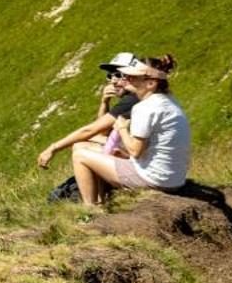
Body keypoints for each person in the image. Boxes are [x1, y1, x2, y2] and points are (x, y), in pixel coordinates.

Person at [69, 55, 189, 206]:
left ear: (151, 83)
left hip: (155, 180)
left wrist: (122, 129)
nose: (126, 78)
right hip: (174, 179)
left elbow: (135, 151)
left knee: (80, 155)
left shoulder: (144, 108)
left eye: (133, 76)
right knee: (90, 148)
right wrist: (124, 154)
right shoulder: (169, 101)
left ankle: (90, 210)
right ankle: (100, 202)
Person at [37, 53, 142, 193]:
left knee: (81, 146)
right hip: (136, 152)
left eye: (117, 74)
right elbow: (103, 131)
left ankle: (96, 198)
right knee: (86, 141)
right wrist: (105, 102)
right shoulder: (131, 98)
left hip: (138, 158)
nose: (113, 81)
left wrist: (53, 148)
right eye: (110, 76)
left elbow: (91, 130)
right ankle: (97, 190)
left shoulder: (132, 100)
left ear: (131, 75)